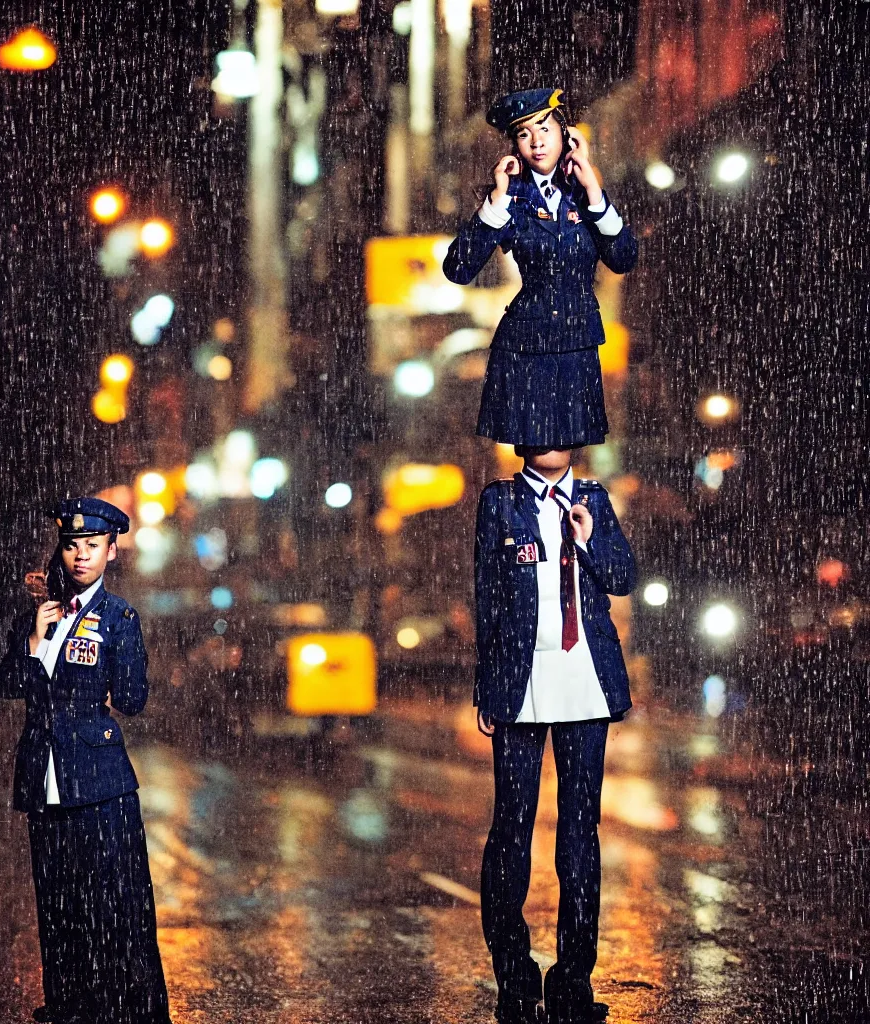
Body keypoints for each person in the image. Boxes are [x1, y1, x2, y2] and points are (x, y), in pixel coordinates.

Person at [473, 447, 637, 1023]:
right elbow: (487, 597)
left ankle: (572, 983)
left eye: (560, 427)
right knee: (511, 832)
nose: (549, 438)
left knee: (579, 837)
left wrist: (591, 538)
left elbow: (623, 578)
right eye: (537, 427)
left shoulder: (593, 498)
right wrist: (486, 686)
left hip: (586, 684)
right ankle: (516, 983)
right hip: (521, 685)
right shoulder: (501, 501)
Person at [0, 497, 171, 1024]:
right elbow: (6, 685)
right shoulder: (38, 614)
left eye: (92, 547)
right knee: (58, 908)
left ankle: (130, 1011)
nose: (80, 557)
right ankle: (71, 1007)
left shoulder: (120, 618)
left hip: (100, 787)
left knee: (117, 910)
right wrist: (34, 641)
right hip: (44, 784)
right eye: (72, 546)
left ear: (111, 552)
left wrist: (100, 696)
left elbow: (134, 698)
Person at [443, 89, 638, 449]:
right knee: (540, 454)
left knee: (564, 455)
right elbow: (457, 268)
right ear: (515, 146)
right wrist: (497, 200)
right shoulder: (513, 199)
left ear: (566, 133)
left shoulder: (583, 193)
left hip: (578, 338)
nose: (536, 142)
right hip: (527, 340)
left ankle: (561, 506)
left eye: (545, 129)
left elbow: (624, 257)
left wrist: (594, 189)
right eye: (524, 134)